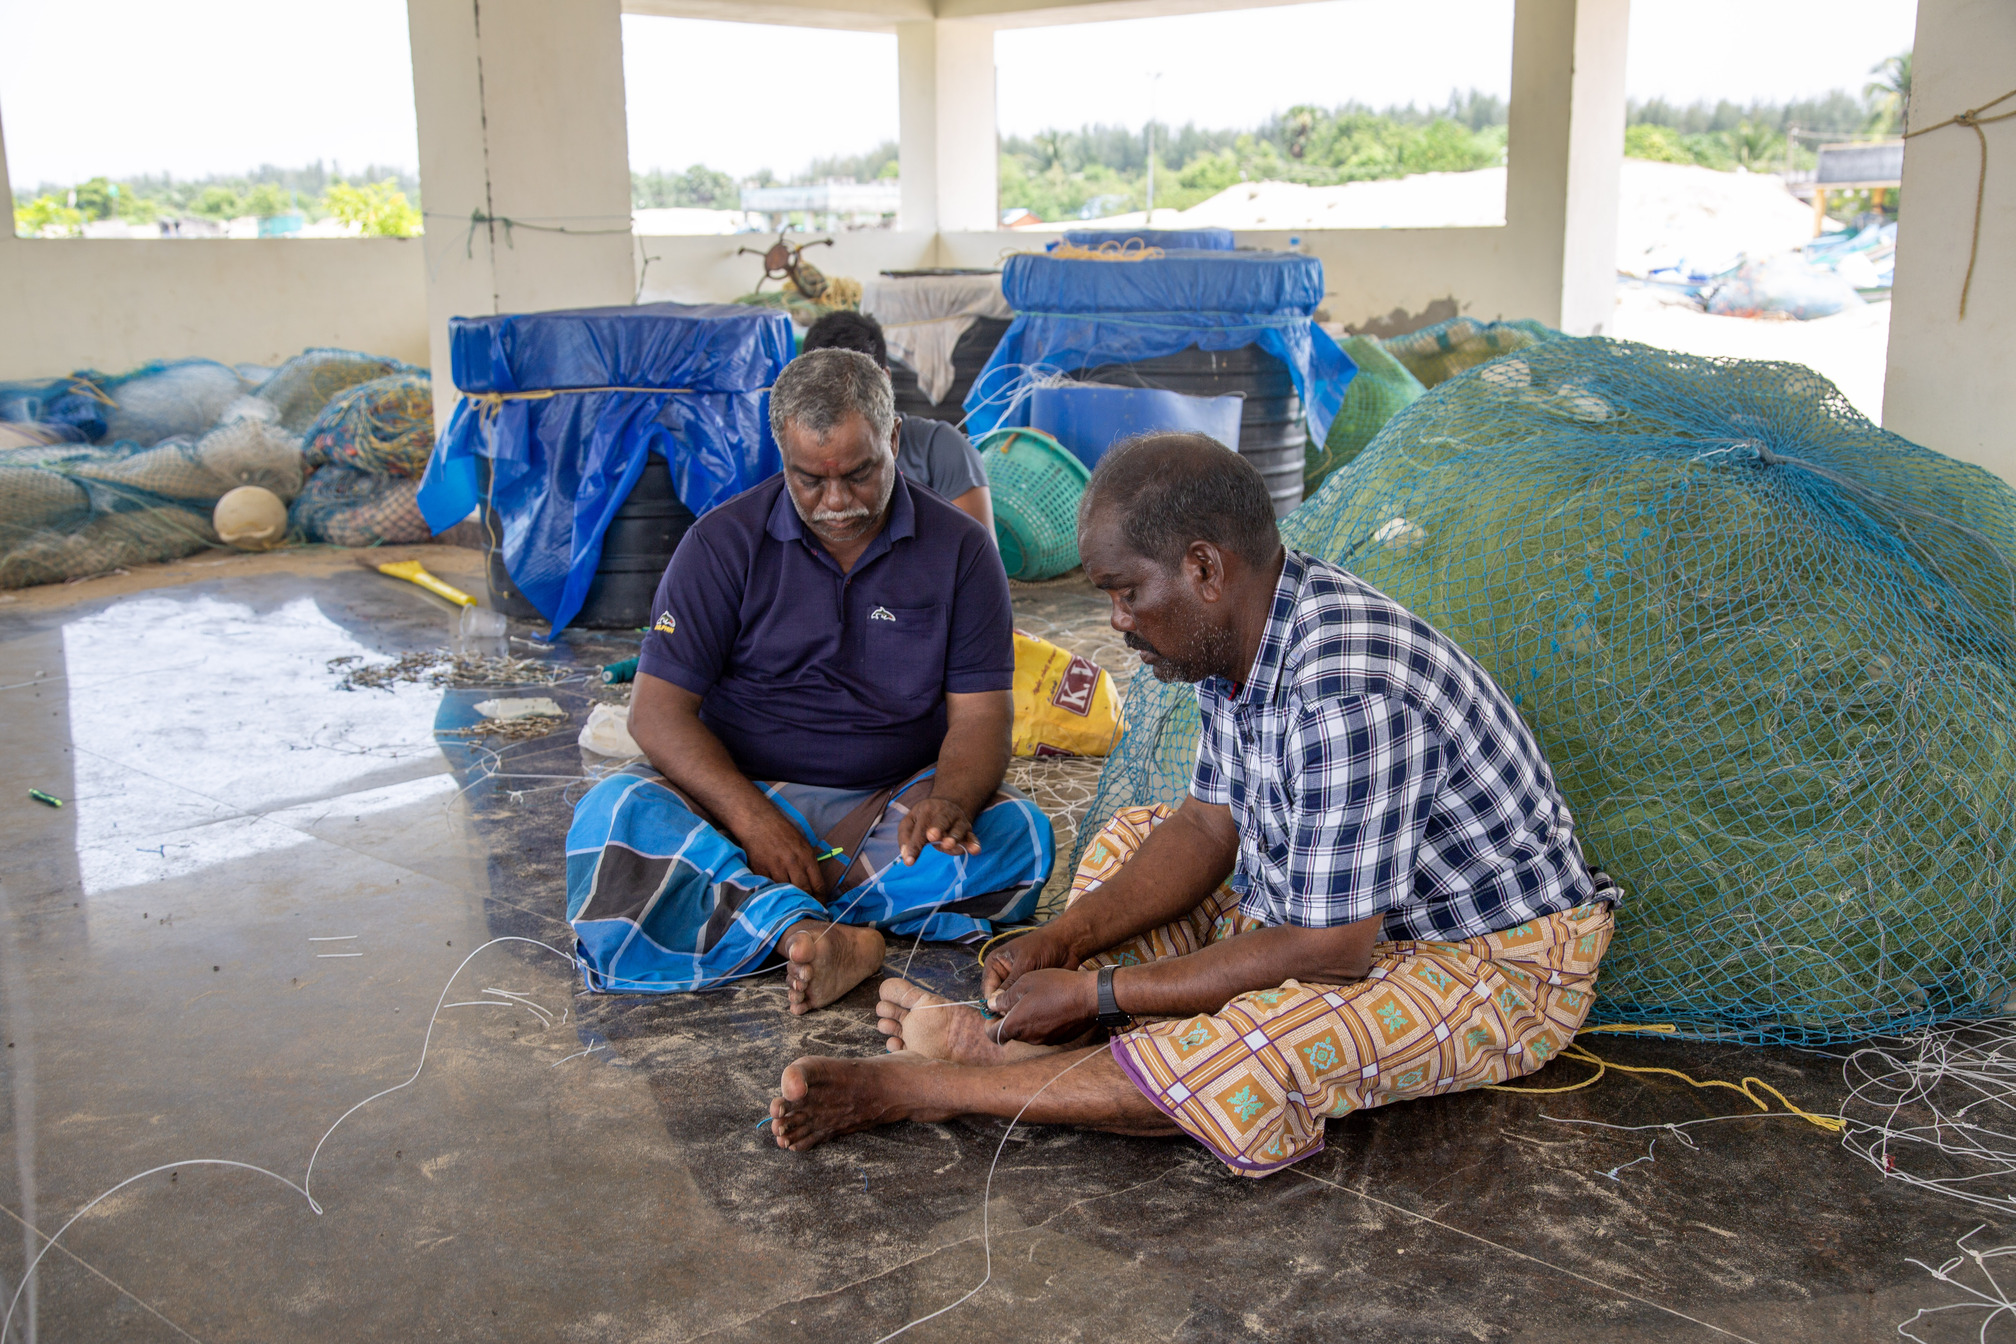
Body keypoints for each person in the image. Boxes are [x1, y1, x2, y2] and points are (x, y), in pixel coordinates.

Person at [766, 433, 1619, 1175]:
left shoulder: (1349, 689)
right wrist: (1062, 940)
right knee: (1135, 841)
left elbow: (1333, 948)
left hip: (1476, 962)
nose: (1117, 621)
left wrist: (1100, 992)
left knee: (1253, 1060)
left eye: (1125, 592)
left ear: (1205, 569)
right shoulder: (1239, 632)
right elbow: (1209, 825)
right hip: (1312, 907)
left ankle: (944, 1086)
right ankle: (1044, 1052)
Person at [566, 348, 1053, 1010]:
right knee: (612, 817)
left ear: (896, 440)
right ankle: (824, 930)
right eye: (809, 481)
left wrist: (952, 800)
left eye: (859, 475)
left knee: (1019, 837)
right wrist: (754, 819)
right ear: (780, 456)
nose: (836, 503)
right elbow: (656, 716)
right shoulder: (721, 544)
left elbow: (980, 717)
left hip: (889, 805)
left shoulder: (961, 551)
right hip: (736, 802)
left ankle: (754, 913)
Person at [800, 310, 993, 535]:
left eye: (855, 389)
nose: (836, 500)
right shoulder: (801, 459)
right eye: (826, 388)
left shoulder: (940, 451)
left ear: (885, 380)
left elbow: (978, 561)